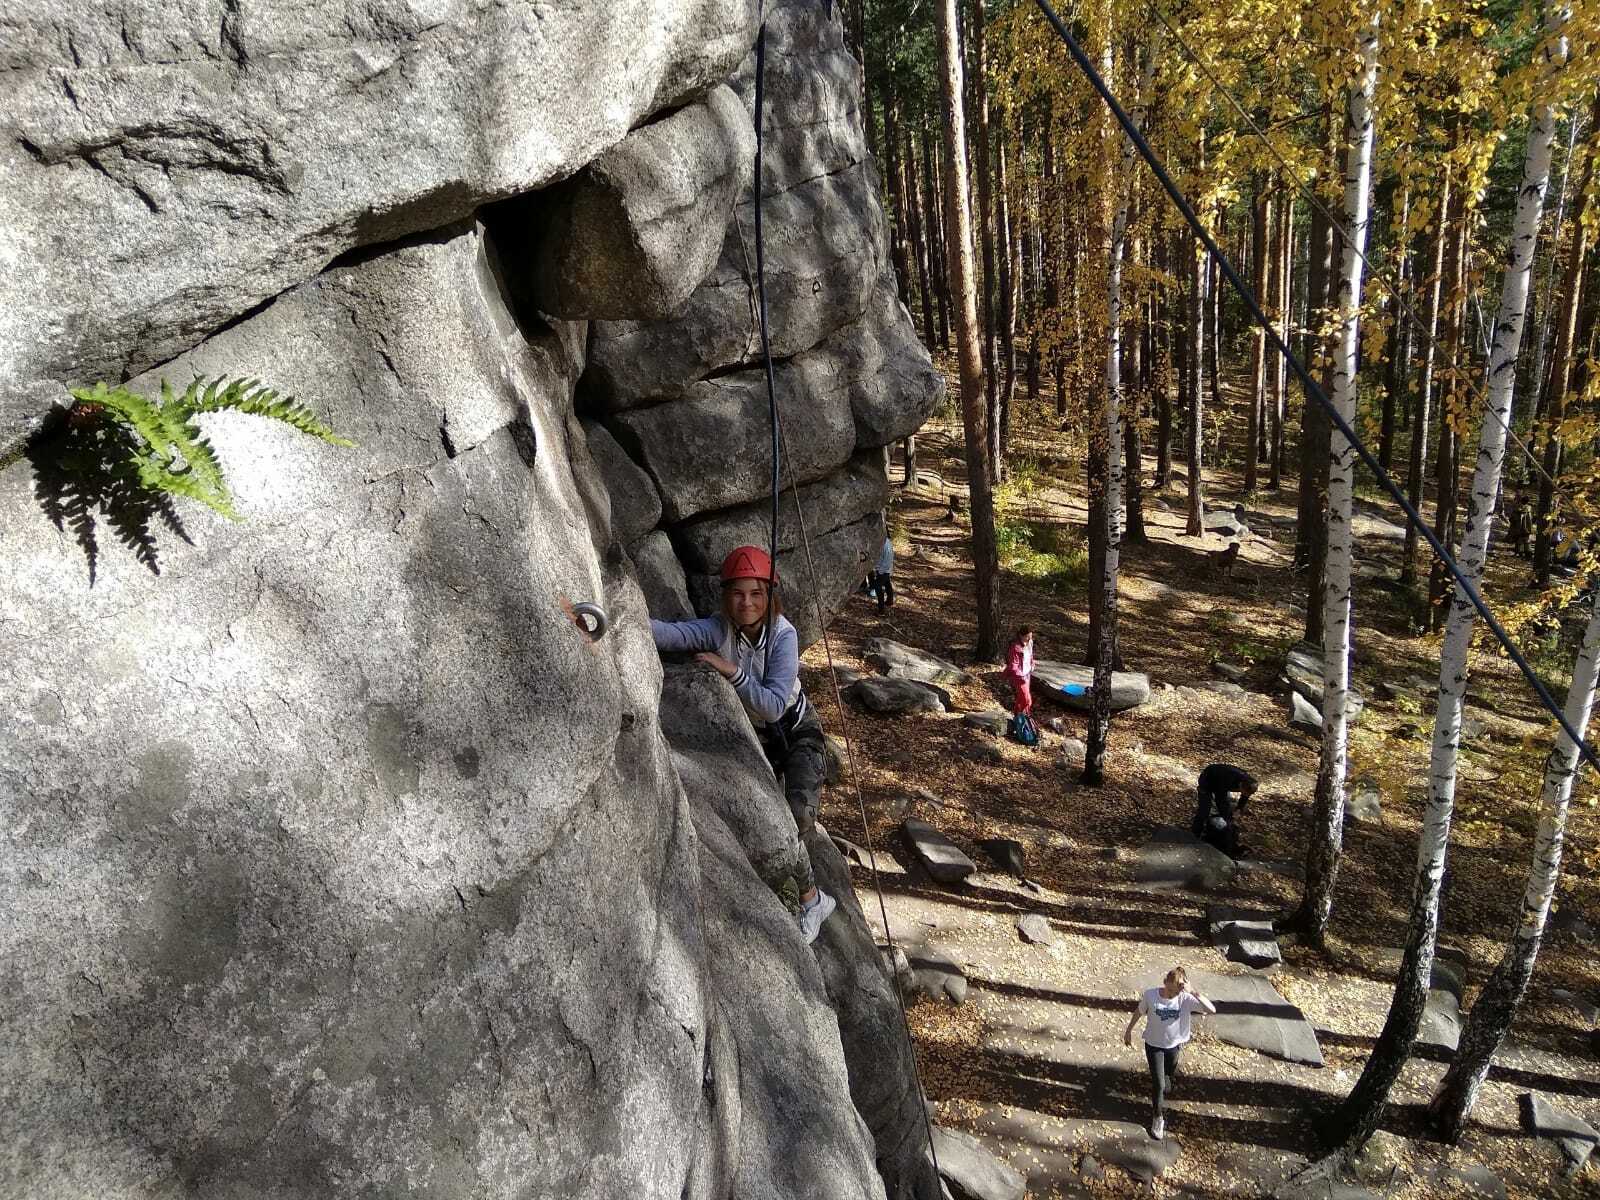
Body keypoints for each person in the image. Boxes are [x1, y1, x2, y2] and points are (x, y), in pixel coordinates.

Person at [651, 545, 837, 944]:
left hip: (797, 729)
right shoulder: (721, 628)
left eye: (756, 593)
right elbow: (673, 634)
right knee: (768, 821)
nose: (747, 602)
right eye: (738, 593)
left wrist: (731, 671)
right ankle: (810, 895)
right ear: (726, 596)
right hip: (758, 738)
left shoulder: (783, 636)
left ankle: (813, 899)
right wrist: (620, 618)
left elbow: (772, 705)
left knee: (798, 815)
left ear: (769, 595)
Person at [1123, 966, 1216, 1140]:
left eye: (1176, 991)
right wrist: (1128, 1031)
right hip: (1153, 1045)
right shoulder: (1151, 995)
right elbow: (1139, 1012)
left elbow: (1212, 1010)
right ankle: (1158, 1117)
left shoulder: (1185, 999)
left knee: (1168, 1075)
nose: (1173, 994)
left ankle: (1167, 1078)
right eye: (1170, 990)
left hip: (1174, 1045)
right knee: (1159, 1084)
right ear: (1165, 982)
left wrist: (1193, 991)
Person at [1192, 763, 1257, 858]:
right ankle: (1195, 834)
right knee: (1204, 810)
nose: (1244, 794)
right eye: (1243, 792)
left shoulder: (1249, 782)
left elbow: (1245, 796)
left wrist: (1239, 808)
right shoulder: (1228, 779)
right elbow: (1220, 800)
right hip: (1207, 779)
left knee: (1226, 812)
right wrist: (1227, 818)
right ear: (1241, 785)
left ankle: (1216, 835)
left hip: (1221, 784)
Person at [1004, 626, 1035, 717]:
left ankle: (1019, 717)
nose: (1029, 639)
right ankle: (1021, 716)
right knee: (1027, 700)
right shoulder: (1015, 647)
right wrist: (1021, 677)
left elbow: (1030, 655)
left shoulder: (1030, 642)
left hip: (1027, 673)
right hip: (1019, 677)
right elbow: (1013, 665)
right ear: (1021, 636)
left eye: (1030, 637)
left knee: (1021, 698)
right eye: (1027, 637)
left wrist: (1032, 664)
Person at [869, 534, 895, 613]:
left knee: (878, 587)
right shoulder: (884, 542)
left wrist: (880, 571)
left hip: (884, 570)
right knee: (887, 584)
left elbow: (887, 561)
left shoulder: (886, 545)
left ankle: (881, 611)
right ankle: (890, 601)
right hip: (883, 568)